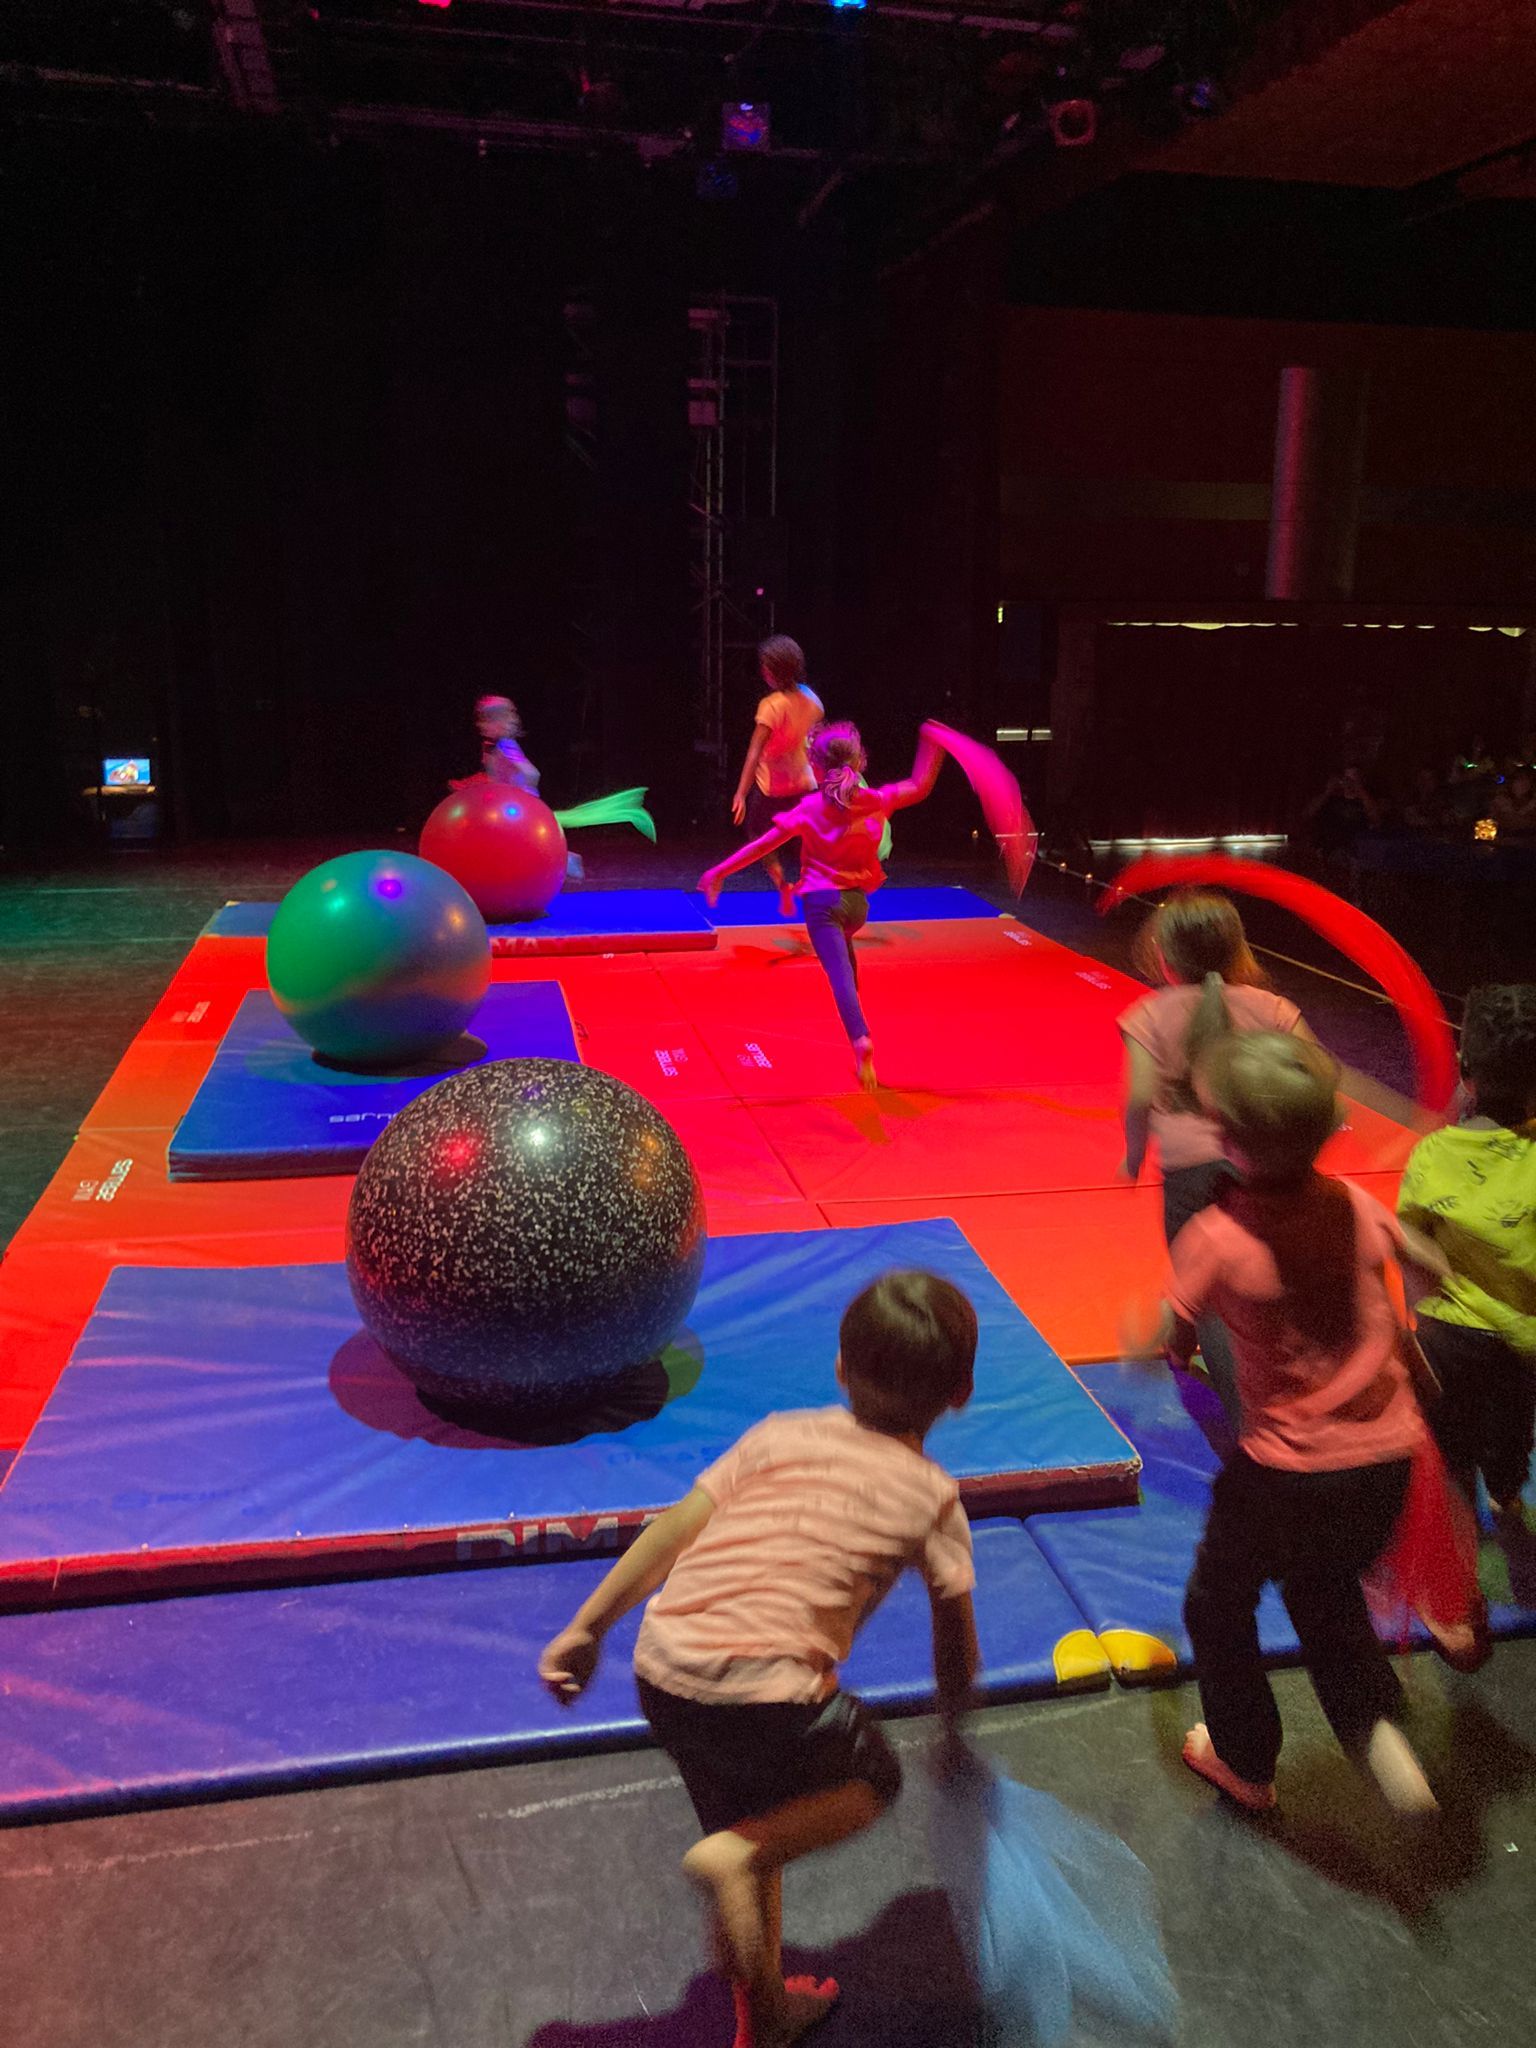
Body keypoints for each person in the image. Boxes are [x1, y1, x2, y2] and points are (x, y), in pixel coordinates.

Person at [538, 1271, 980, 2048]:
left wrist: (588, 1625)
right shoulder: (932, 1496)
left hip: (666, 1666)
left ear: (839, 1367)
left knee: (747, 1836)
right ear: (961, 1395)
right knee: (865, 1784)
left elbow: (674, 1530)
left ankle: (763, 2018)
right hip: (765, 1689)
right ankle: (738, 1862)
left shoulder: (778, 1435)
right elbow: (955, 1639)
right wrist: (953, 1727)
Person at [1154, 1032, 1449, 1816]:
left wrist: (1165, 1344)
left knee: (1218, 1601)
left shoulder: (1217, 1237)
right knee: (1325, 1595)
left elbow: (1173, 1332)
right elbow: (1419, 1265)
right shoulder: (1355, 1203)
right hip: (1388, 1457)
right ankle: (1379, 1735)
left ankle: (1244, 1760)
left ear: (1226, 1140)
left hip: (1286, 1473)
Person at [1118, 890, 1315, 1405]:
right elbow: (1317, 1077)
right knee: (1266, 1278)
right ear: (1238, 950)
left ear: (1164, 955)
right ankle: (1191, 1351)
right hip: (1267, 1167)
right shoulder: (1274, 1008)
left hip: (1189, 1175)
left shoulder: (1150, 1014)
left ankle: (1245, 1410)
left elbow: (1138, 1097)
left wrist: (1133, 1157)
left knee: (1209, 1290)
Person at [701, 721, 945, 1092]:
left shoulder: (809, 809)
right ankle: (856, 1013)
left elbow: (761, 846)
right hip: (857, 906)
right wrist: (933, 741)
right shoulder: (875, 800)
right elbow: (921, 784)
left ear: (815, 767)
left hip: (823, 905)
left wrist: (719, 872)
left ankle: (860, 1039)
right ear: (858, 763)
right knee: (844, 955)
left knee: (839, 975)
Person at [1396, 985, 1536, 1525]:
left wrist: (1419, 1318)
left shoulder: (1433, 1155)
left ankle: (1459, 1526)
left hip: (1448, 1340)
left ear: (1464, 1069)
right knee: (1513, 1427)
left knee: (1449, 1439)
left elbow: (1410, 1244)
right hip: (1522, 1343)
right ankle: (1506, 1492)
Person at [730, 638, 825, 919]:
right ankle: (810, 889)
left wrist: (741, 793)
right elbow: (816, 742)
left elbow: (754, 752)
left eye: (765, 667)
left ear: (773, 671)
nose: (763, 671)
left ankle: (783, 883)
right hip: (805, 785)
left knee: (761, 839)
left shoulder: (771, 706)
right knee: (808, 843)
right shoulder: (813, 700)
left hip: (772, 789)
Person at [458, 694, 584, 880]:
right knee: (513, 841)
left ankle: (566, 861)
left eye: (488, 719)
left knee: (524, 840)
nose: (481, 724)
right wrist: (471, 783)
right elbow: (494, 775)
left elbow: (531, 773)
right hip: (503, 803)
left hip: (518, 805)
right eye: (481, 719)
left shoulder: (505, 745)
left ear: (501, 721)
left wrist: (521, 796)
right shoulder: (490, 746)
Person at [1490, 766, 1536, 840]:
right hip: (1503, 840)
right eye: (1521, 780)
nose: (1525, 784)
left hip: (1529, 841)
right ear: (1512, 781)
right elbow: (1492, 821)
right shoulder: (1501, 800)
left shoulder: (1533, 803)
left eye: (1528, 781)